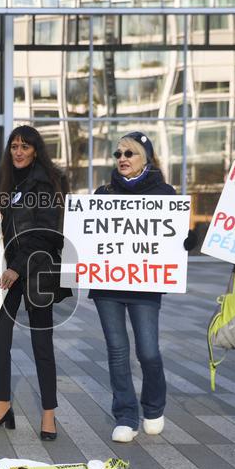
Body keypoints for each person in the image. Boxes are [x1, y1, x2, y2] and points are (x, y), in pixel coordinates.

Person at [0, 125, 70, 441]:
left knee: (42, 345)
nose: (18, 152)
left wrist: (17, 267)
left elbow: (48, 232)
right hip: (4, 269)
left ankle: (48, 414)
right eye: (14, 146)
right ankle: (2, 406)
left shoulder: (51, 180)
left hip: (38, 270)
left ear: (35, 150)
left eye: (25, 147)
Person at [88, 132, 180, 444]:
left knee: (148, 351)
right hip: (107, 284)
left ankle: (153, 407)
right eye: (118, 154)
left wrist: (185, 240)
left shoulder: (165, 194)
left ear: (146, 158)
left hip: (145, 283)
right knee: (117, 351)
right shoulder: (103, 193)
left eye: (130, 153)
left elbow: (174, 237)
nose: (122, 159)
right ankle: (126, 416)